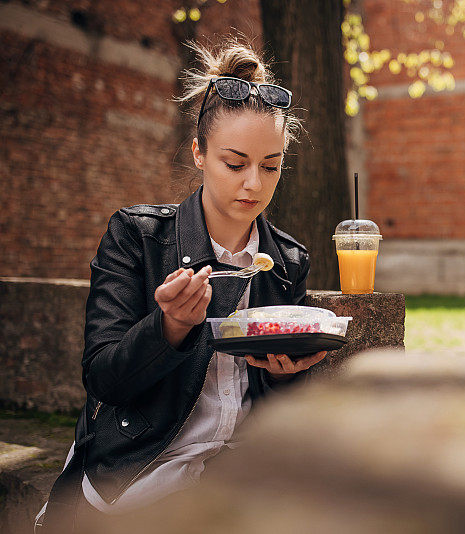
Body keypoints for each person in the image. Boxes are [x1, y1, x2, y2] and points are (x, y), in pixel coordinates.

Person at [35, 37, 328, 532]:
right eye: (235, 164)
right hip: (144, 468)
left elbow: (279, 404)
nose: (254, 184)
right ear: (197, 153)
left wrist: (283, 375)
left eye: (271, 166)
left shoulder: (285, 260)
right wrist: (168, 326)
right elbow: (104, 378)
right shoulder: (137, 236)